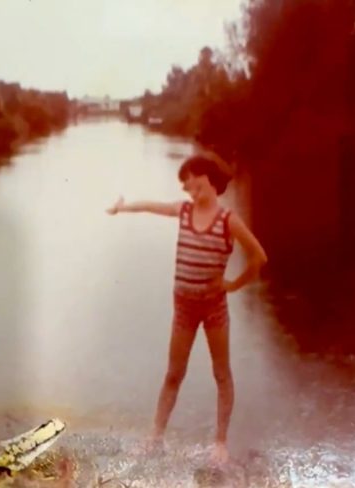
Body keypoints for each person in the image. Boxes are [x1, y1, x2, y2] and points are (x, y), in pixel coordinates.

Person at [106, 153, 268, 464]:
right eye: (187, 187)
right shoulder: (183, 212)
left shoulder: (227, 220)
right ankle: (155, 437)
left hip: (214, 308)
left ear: (210, 179)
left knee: (221, 374)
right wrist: (123, 207)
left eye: (195, 183)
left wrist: (232, 285)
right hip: (183, 307)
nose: (191, 191)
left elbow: (258, 257)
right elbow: (152, 206)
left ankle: (220, 442)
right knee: (173, 374)